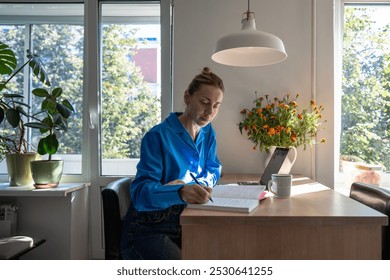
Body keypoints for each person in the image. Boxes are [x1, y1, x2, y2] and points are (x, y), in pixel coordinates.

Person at [120, 67, 224, 260]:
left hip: (185, 221)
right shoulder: (157, 136)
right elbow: (141, 194)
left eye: (216, 105)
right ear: (187, 97)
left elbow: (214, 169)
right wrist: (180, 192)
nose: (210, 112)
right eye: (204, 102)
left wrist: (202, 183)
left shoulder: (208, 132)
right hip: (147, 230)